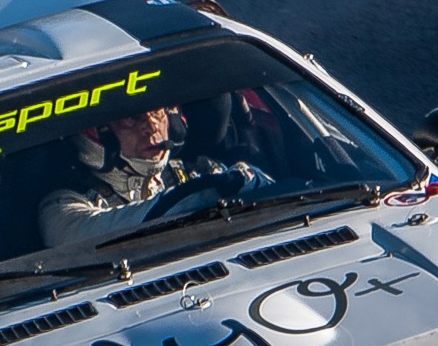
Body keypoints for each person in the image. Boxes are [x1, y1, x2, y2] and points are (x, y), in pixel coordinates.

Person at [37, 105, 269, 248]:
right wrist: (208, 194)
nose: (151, 127)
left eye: (157, 112)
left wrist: (240, 181)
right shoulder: (62, 207)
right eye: (130, 118)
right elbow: (116, 238)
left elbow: (265, 189)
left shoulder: (200, 171)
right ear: (96, 133)